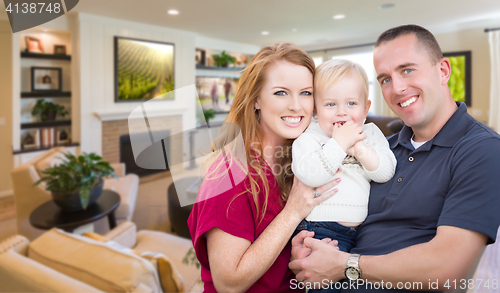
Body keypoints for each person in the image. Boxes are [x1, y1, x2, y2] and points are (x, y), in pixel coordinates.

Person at [289, 24, 500, 292]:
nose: (397, 88)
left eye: (407, 70)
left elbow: (448, 270)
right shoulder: (380, 149)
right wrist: (309, 252)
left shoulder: (482, 150)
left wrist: (345, 265)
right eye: (385, 79)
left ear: (443, 71)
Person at [188, 42, 340, 293]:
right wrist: (293, 213)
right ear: (256, 99)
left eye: (306, 92)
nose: (297, 106)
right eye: (281, 92)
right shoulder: (229, 174)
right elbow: (229, 283)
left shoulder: (301, 160)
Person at [291, 59, 397, 292]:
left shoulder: (369, 134)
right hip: (320, 231)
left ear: (366, 108)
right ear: (316, 109)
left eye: (351, 103)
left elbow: (386, 172)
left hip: (364, 233)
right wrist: (339, 144)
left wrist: (359, 149)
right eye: (330, 104)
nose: (342, 112)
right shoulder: (309, 136)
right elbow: (311, 175)